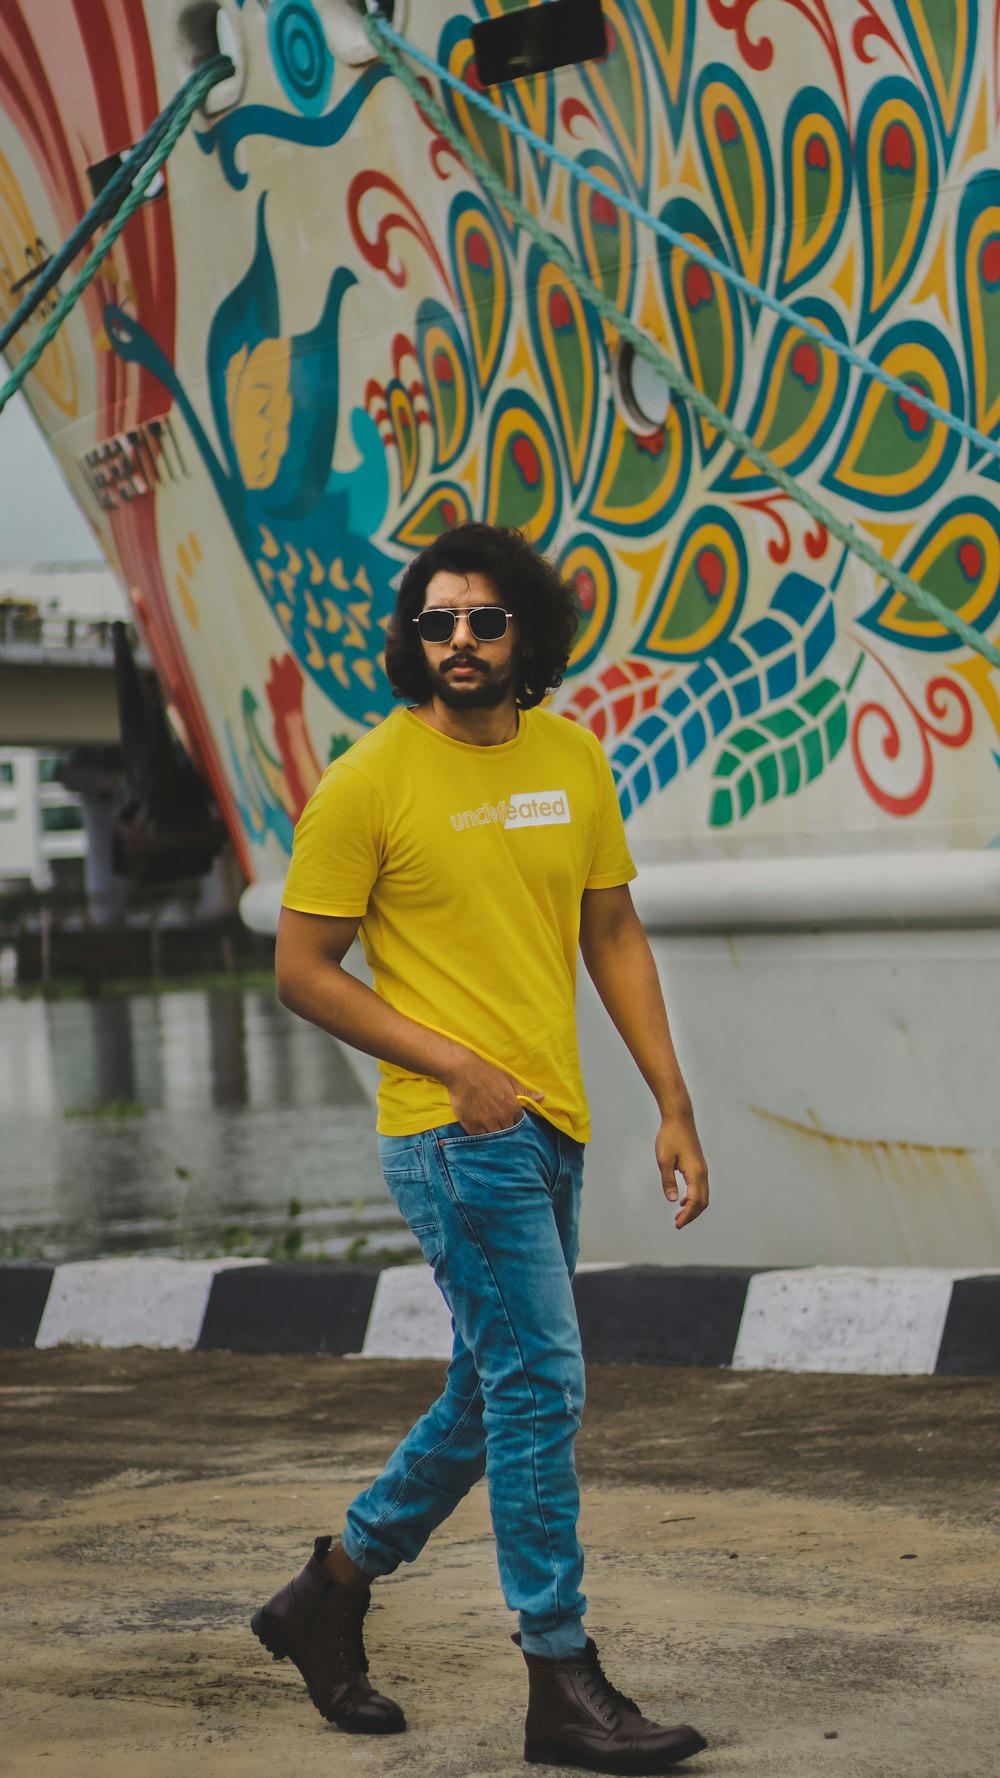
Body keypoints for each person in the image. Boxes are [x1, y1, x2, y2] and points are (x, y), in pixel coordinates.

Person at [252, 522, 710, 1773]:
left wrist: (670, 1099)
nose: (459, 638)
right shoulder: (369, 778)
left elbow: (609, 931)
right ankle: (559, 1677)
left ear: (528, 635)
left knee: (491, 1386)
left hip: (550, 1122)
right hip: (452, 1135)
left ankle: (326, 1593)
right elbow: (301, 968)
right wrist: (448, 1062)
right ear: (414, 639)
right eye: (438, 619)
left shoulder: (571, 758)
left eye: (485, 618)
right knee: (543, 1386)